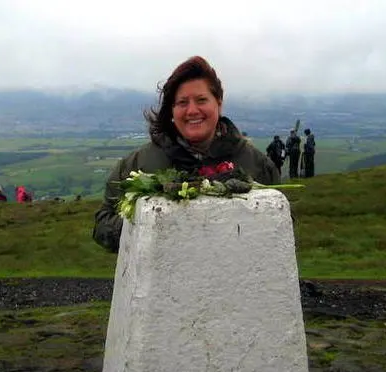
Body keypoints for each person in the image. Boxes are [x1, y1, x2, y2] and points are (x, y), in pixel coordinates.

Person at [93, 55, 280, 253]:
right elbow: (103, 224)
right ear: (172, 110)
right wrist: (147, 227)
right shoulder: (138, 165)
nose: (192, 110)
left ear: (219, 103)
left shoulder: (257, 164)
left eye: (201, 100)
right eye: (182, 102)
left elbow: (283, 223)